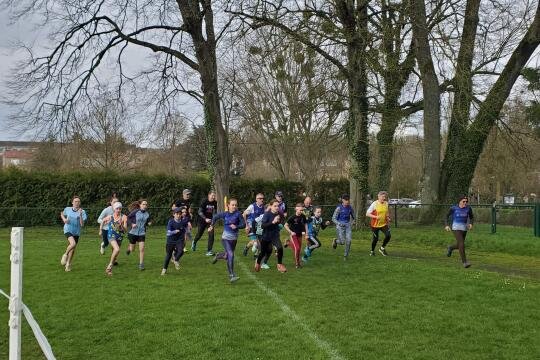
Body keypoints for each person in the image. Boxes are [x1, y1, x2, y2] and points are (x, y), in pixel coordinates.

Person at [209, 198, 246, 283]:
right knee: (231, 254)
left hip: (234, 239)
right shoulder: (225, 214)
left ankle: (218, 256)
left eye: (236, 205)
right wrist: (212, 225)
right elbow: (215, 217)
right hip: (225, 238)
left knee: (226, 256)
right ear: (228, 205)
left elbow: (243, 224)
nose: (234, 206)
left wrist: (236, 226)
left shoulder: (238, 214)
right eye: (232, 205)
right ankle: (232, 275)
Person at [255, 199, 287, 273]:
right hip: (266, 236)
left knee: (280, 248)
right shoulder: (267, 214)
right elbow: (263, 226)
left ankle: (279, 265)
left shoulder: (279, 213)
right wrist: (273, 222)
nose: (276, 207)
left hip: (275, 235)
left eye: (278, 206)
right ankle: (258, 262)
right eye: (275, 206)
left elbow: (283, 219)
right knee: (263, 252)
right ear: (270, 206)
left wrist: (280, 223)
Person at [445, 195, 474, 268]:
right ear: (459, 201)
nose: (465, 203)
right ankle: (464, 262)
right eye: (463, 201)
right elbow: (446, 216)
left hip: (464, 228)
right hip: (455, 228)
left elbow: (471, 217)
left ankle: (450, 248)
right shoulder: (453, 208)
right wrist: (446, 225)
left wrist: (471, 223)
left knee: (459, 245)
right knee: (462, 244)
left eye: (466, 202)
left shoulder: (468, 208)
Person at [60, 196, 87, 272]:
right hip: (68, 229)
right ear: (72, 202)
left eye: (78, 201)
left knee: (73, 248)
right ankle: (65, 255)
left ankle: (68, 264)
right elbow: (62, 214)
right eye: (75, 201)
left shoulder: (83, 212)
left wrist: (80, 215)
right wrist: (64, 219)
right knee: (73, 243)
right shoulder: (67, 209)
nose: (77, 203)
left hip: (76, 232)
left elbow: (82, 224)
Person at [162, 207, 191, 275]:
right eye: (177, 214)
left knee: (181, 251)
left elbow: (186, 227)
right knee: (168, 256)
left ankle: (176, 260)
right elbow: (168, 233)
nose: (178, 215)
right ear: (173, 214)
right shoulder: (171, 222)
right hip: (170, 241)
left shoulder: (183, 221)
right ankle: (164, 270)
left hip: (179, 240)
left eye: (180, 214)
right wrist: (175, 231)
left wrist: (188, 230)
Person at [101, 202, 127, 276]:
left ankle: (109, 270)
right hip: (111, 236)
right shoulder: (110, 217)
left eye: (120, 209)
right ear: (114, 209)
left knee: (115, 253)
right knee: (117, 249)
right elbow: (102, 221)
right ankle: (110, 266)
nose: (118, 210)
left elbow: (125, 230)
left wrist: (121, 225)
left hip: (120, 237)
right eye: (117, 208)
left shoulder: (124, 217)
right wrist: (100, 229)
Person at [126, 199, 151, 270]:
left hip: (142, 233)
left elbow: (148, 221)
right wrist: (132, 224)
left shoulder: (147, 214)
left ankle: (141, 264)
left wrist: (149, 223)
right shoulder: (135, 212)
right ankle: (129, 248)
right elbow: (128, 218)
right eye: (143, 204)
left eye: (146, 204)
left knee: (142, 249)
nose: (145, 206)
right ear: (140, 205)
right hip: (133, 233)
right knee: (132, 249)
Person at [366, 191, 391, 256]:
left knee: (388, 235)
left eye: (385, 197)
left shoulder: (386, 203)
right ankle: (372, 251)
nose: (384, 198)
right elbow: (367, 214)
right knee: (376, 239)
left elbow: (387, 212)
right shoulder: (374, 204)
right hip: (375, 225)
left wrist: (388, 217)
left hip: (383, 224)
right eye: (383, 196)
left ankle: (382, 248)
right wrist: (376, 217)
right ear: (378, 196)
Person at [192, 191, 218, 255]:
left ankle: (209, 251)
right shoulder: (204, 201)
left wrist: (212, 221)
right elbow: (199, 211)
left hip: (210, 221)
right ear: (209, 195)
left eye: (214, 196)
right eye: (212, 195)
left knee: (211, 235)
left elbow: (214, 213)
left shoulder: (215, 202)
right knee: (199, 234)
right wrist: (205, 218)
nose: (213, 197)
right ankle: (194, 242)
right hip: (202, 220)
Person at [284, 203, 308, 268]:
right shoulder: (292, 217)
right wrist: (291, 232)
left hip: (300, 235)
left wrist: (306, 234)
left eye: (302, 210)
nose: (301, 211)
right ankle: (297, 264)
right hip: (293, 235)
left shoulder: (303, 216)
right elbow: (285, 225)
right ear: (296, 209)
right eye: (300, 210)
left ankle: (288, 243)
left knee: (298, 249)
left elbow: (305, 224)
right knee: (297, 248)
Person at [332, 194, 355, 259]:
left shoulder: (350, 208)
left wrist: (353, 222)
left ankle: (345, 256)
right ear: (342, 200)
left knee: (349, 240)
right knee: (342, 242)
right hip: (340, 226)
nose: (347, 202)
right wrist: (339, 224)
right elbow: (333, 218)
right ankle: (335, 241)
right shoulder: (339, 208)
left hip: (348, 226)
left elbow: (354, 217)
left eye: (348, 200)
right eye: (346, 200)